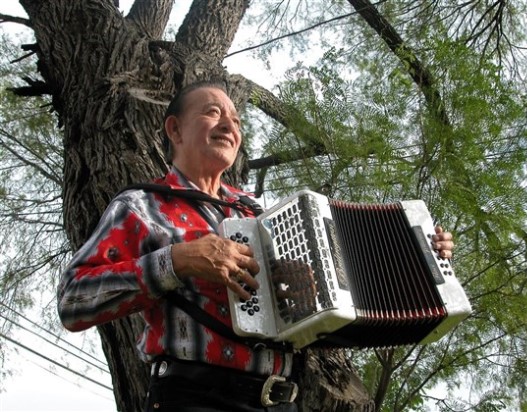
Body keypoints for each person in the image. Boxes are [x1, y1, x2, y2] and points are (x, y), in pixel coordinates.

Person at [57, 80, 455, 411]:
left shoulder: (260, 213)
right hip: (193, 398)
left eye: (235, 118)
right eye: (213, 112)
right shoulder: (141, 206)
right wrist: (177, 261)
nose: (229, 123)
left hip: (281, 400)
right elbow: (73, 303)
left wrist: (421, 257)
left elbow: (337, 292)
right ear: (175, 129)